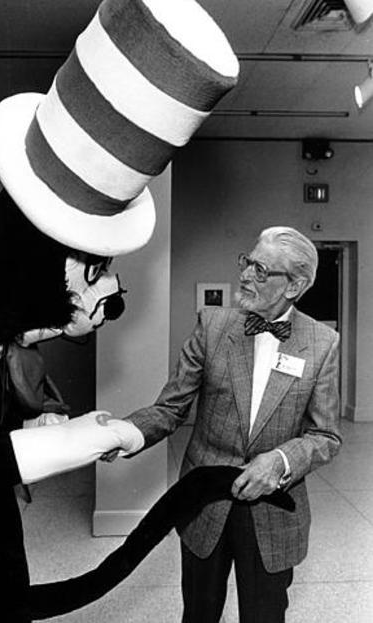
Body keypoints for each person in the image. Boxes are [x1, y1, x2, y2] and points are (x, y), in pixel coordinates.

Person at [0, 0, 240, 621]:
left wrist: (44, 424)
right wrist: (86, 437)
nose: (111, 289)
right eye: (93, 270)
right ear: (30, 272)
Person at [122, 226, 342, 623]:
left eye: (261, 270)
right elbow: (170, 408)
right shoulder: (213, 325)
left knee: (265, 615)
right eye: (247, 262)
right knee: (200, 612)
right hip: (204, 502)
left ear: (294, 285)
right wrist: (125, 433)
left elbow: (325, 435)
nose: (244, 275)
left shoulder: (322, 342)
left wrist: (280, 460)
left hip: (274, 509)